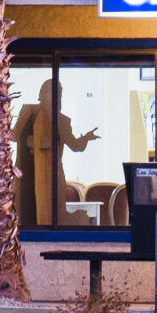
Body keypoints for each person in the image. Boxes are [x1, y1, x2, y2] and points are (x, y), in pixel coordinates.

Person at [12, 79, 99, 227]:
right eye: (53, 94)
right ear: (42, 94)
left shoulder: (62, 121)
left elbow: (75, 145)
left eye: (59, 95)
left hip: (53, 176)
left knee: (52, 214)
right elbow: (15, 135)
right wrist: (32, 141)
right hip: (27, 174)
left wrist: (86, 138)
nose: (57, 98)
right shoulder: (28, 112)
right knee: (26, 210)